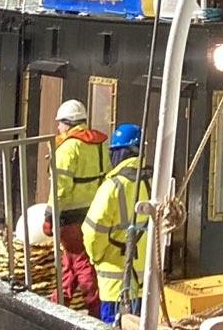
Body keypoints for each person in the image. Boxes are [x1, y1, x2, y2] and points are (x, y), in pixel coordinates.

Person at [84, 123, 150, 325]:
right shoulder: (153, 183)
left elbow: (91, 233)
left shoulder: (112, 187)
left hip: (115, 285)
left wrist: (98, 257)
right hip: (144, 283)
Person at [51, 100, 110, 310]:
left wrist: (50, 215)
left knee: (80, 262)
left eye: (60, 123)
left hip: (68, 214)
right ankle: (58, 302)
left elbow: (59, 187)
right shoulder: (101, 144)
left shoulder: (67, 148)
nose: (58, 128)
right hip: (93, 211)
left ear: (68, 123)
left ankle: (95, 308)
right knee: (71, 260)